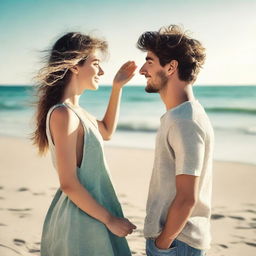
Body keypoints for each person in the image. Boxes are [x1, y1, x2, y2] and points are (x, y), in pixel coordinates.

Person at [32, 32, 137, 256]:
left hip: (92, 211)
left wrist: (117, 87)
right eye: (96, 64)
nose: (101, 72)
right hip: (80, 220)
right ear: (74, 66)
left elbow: (107, 131)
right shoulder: (63, 114)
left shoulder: (78, 113)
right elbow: (68, 182)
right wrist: (110, 220)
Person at [137, 25, 214, 256]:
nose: (142, 70)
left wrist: (163, 244)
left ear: (171, 67)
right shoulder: (179, 115)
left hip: (177, 243)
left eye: (149, 61)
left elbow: (186, 198)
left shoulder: (185, 120)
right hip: (175, 241)